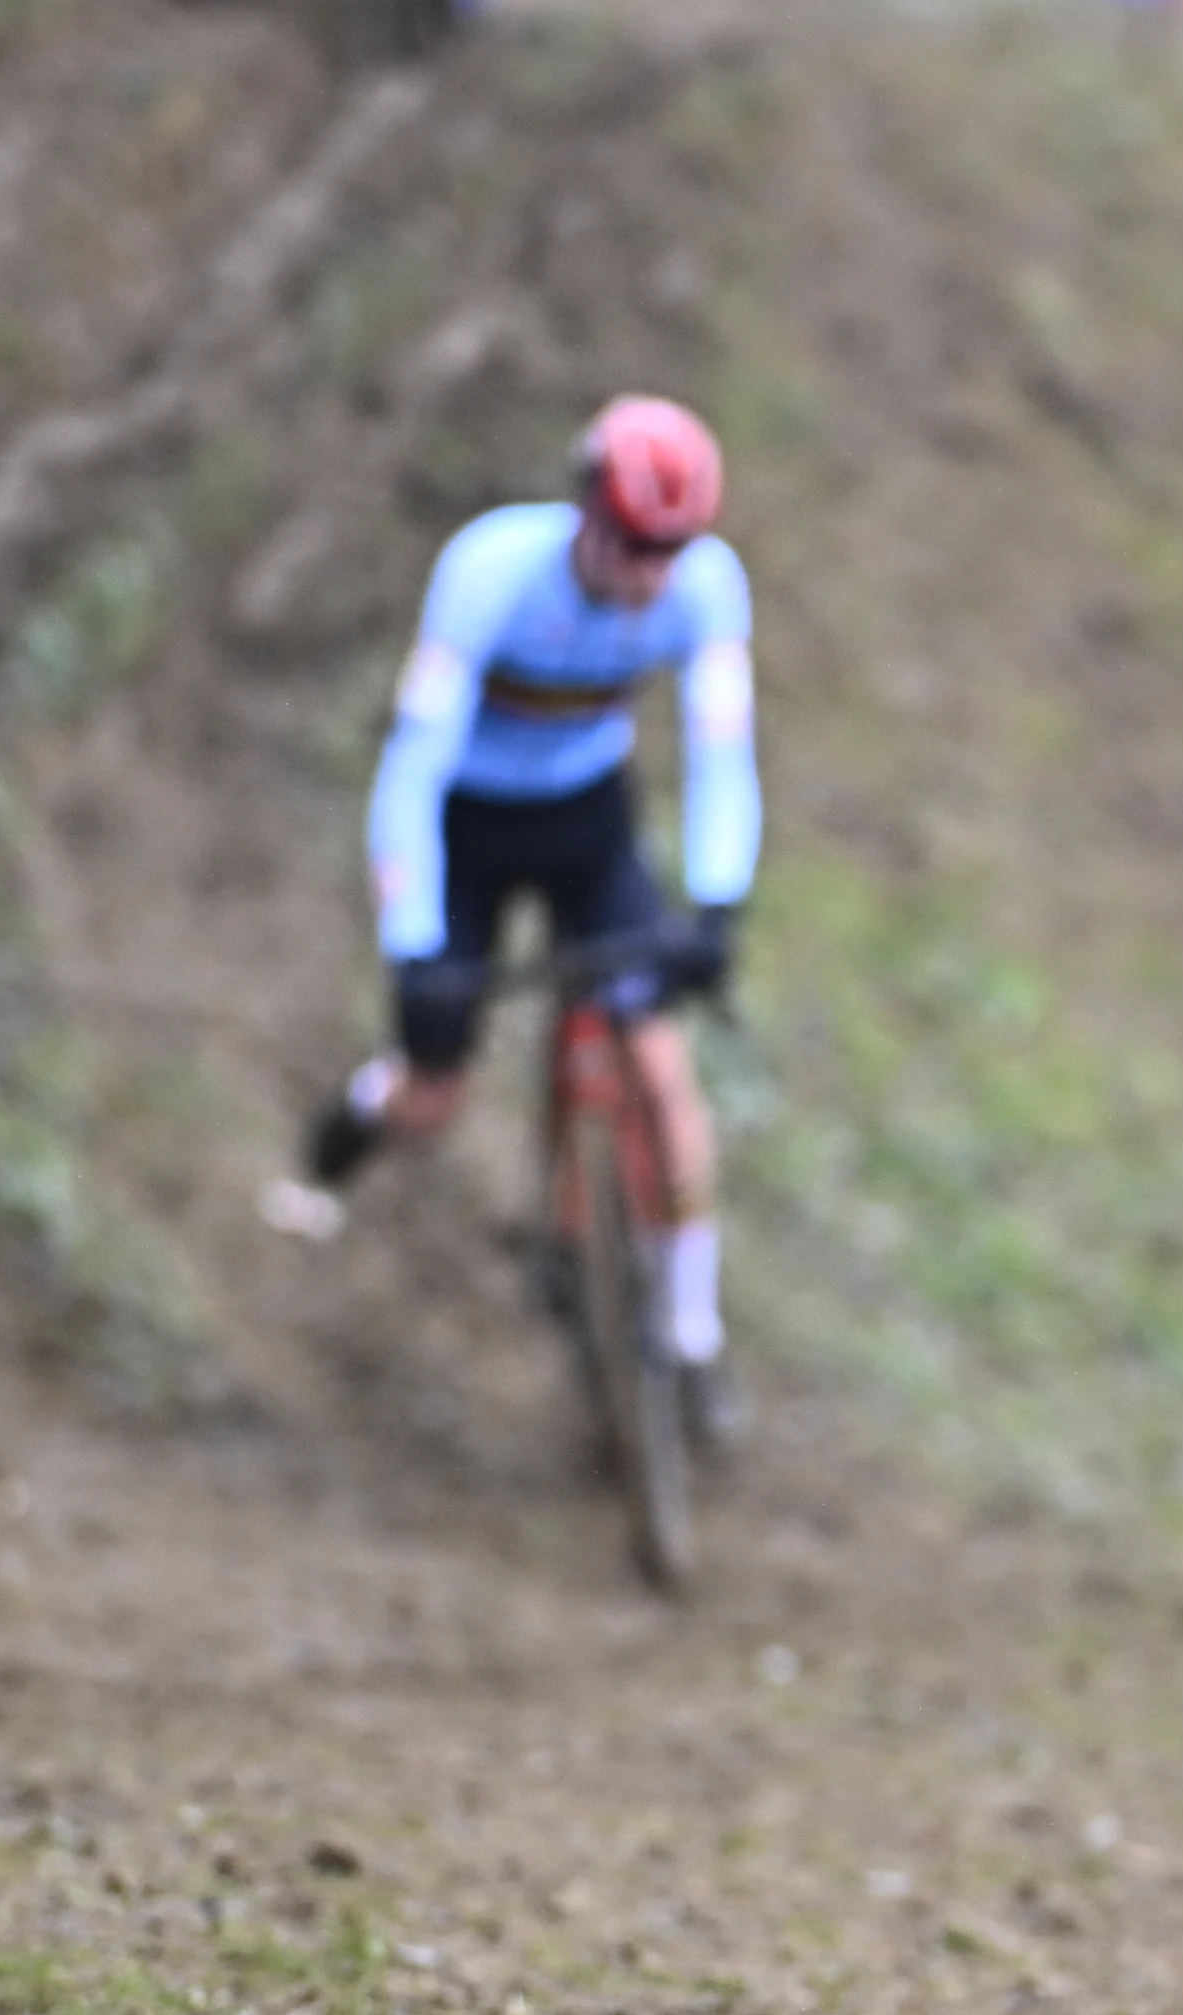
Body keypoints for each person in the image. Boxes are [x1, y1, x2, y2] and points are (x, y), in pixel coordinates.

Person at [301, 395, 760, 1419]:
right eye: (638, 544)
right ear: (589, 512)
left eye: (674, 549)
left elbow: (722, 754)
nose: (654, 575)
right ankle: (368, 1109)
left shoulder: (704, 592)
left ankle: (692, 1338)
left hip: (587, 826)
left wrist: (719, 904)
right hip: (467, 829)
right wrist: (414, 943)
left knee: (657, 1060)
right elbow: (412, 768)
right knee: (436, 1096)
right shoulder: (491, 575)